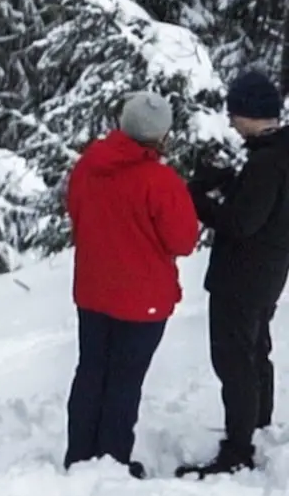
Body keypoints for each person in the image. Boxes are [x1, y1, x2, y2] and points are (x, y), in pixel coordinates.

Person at [64, 93, 199, 476]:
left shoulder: (89, 165)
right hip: (144, 301)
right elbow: (184, 241)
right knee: (124, 380)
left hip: (92, 289)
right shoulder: (160, 181)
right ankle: (111, 462)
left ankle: (79, 456)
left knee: (91, 371)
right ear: (161, 136)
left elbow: (74, 209)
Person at [178, 72, 289, 478]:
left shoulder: (266, 161)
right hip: (268, 273)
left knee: (234, 359)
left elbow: (242, 222)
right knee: (255, 351)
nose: (231, 121)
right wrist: (227, 184)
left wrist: (199, 201)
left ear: (252, 113)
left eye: (235, 113)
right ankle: (256, 429)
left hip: (242, 277)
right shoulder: (274, 153)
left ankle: (239, 447)